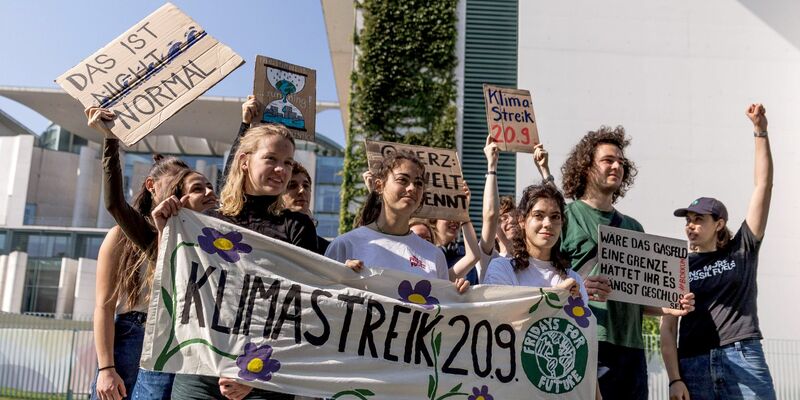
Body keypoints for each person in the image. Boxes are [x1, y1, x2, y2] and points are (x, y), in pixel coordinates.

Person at [156, 116, 316, 400]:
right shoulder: (206, 221)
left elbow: (301, 307)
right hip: (201, 368)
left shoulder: (297, 226)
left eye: (288, 162)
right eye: (271, 159)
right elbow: (180, 287)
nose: (282, 169)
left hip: (266, 375)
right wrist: (164, 232)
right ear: (244, 161)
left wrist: (253, 372)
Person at [87, 107, 217, 400]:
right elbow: (104, 306)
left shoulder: (204, 238)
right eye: (176, 187)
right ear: (152, 187)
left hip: (178, 338)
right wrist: (106, 368)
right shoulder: (127, 234)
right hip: (134, 333)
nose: (180, 196)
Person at [557, 126, 694, 400]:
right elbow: (545, 279)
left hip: (631, 348)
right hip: (587, 339)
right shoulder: (565, 217)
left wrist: (666, 305)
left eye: (621, 162)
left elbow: (638, 297)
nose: (617, 166)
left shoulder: (634, 227)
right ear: (586, 167)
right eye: (608, 160)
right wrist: (579, 286)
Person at [661, 104, 776, 400]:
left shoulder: (743, 249)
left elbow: (763, 185)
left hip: (742, 354)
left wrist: (760, 131)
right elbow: (668, 325)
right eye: (688, 220)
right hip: (693, 363)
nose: (691, 226)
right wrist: (675, 379)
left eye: (699, 219)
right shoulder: (679, 264)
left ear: (719, 223)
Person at [326, 150, 469, 293]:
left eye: (418, 183)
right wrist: (341, 280)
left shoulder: (434, 255)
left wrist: (456, 294)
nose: (412, 188)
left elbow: (441, 306)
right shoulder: (345, 245)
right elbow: (322, 299)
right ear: (379, 186)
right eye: (403, 180)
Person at [281, 161, 330, 254]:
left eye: (306, 186)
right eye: (292, 185)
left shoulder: (328, 248)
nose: (302, 190)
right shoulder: (269, 233)